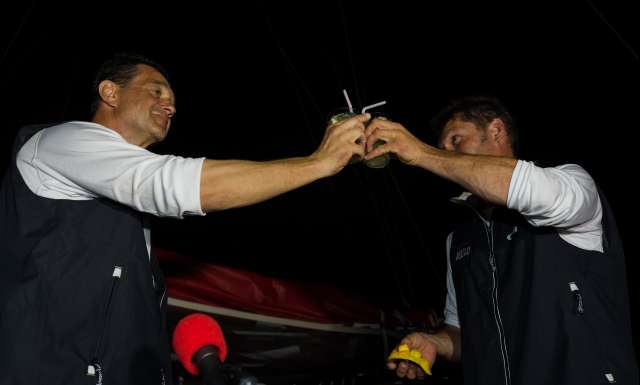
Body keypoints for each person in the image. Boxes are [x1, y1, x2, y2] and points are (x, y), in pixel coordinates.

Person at [0, 53, 369, 385]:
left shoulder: (125, 212)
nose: (170, 106)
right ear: (110, 92)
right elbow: (175, 184)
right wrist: (318, 163)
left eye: (173, 101)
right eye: (156, 92)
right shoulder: (61, 142)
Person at [364, 96, 638, 384]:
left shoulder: (571, 184)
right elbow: (462, 333)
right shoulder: (457, 240)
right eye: (443, 149)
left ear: (496, 130)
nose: (449, 157)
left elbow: (527, 188)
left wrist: (421, 152)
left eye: (456, 140)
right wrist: (435, 343)